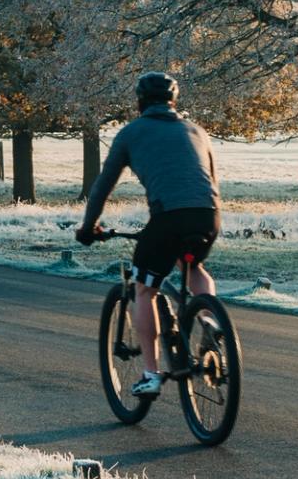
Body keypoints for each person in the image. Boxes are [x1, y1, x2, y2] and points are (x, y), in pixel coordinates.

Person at [75, 70, 221, 401]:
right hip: (207, 214)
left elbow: (102, 187)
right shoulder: (196, 130)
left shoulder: (131, 133)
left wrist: (88, 227)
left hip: (168, 216)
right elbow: (211, 180)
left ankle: (151, 374)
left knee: (144, 289)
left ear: (139, 102)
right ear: (173, 101)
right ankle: (210, 319)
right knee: (193, 266)